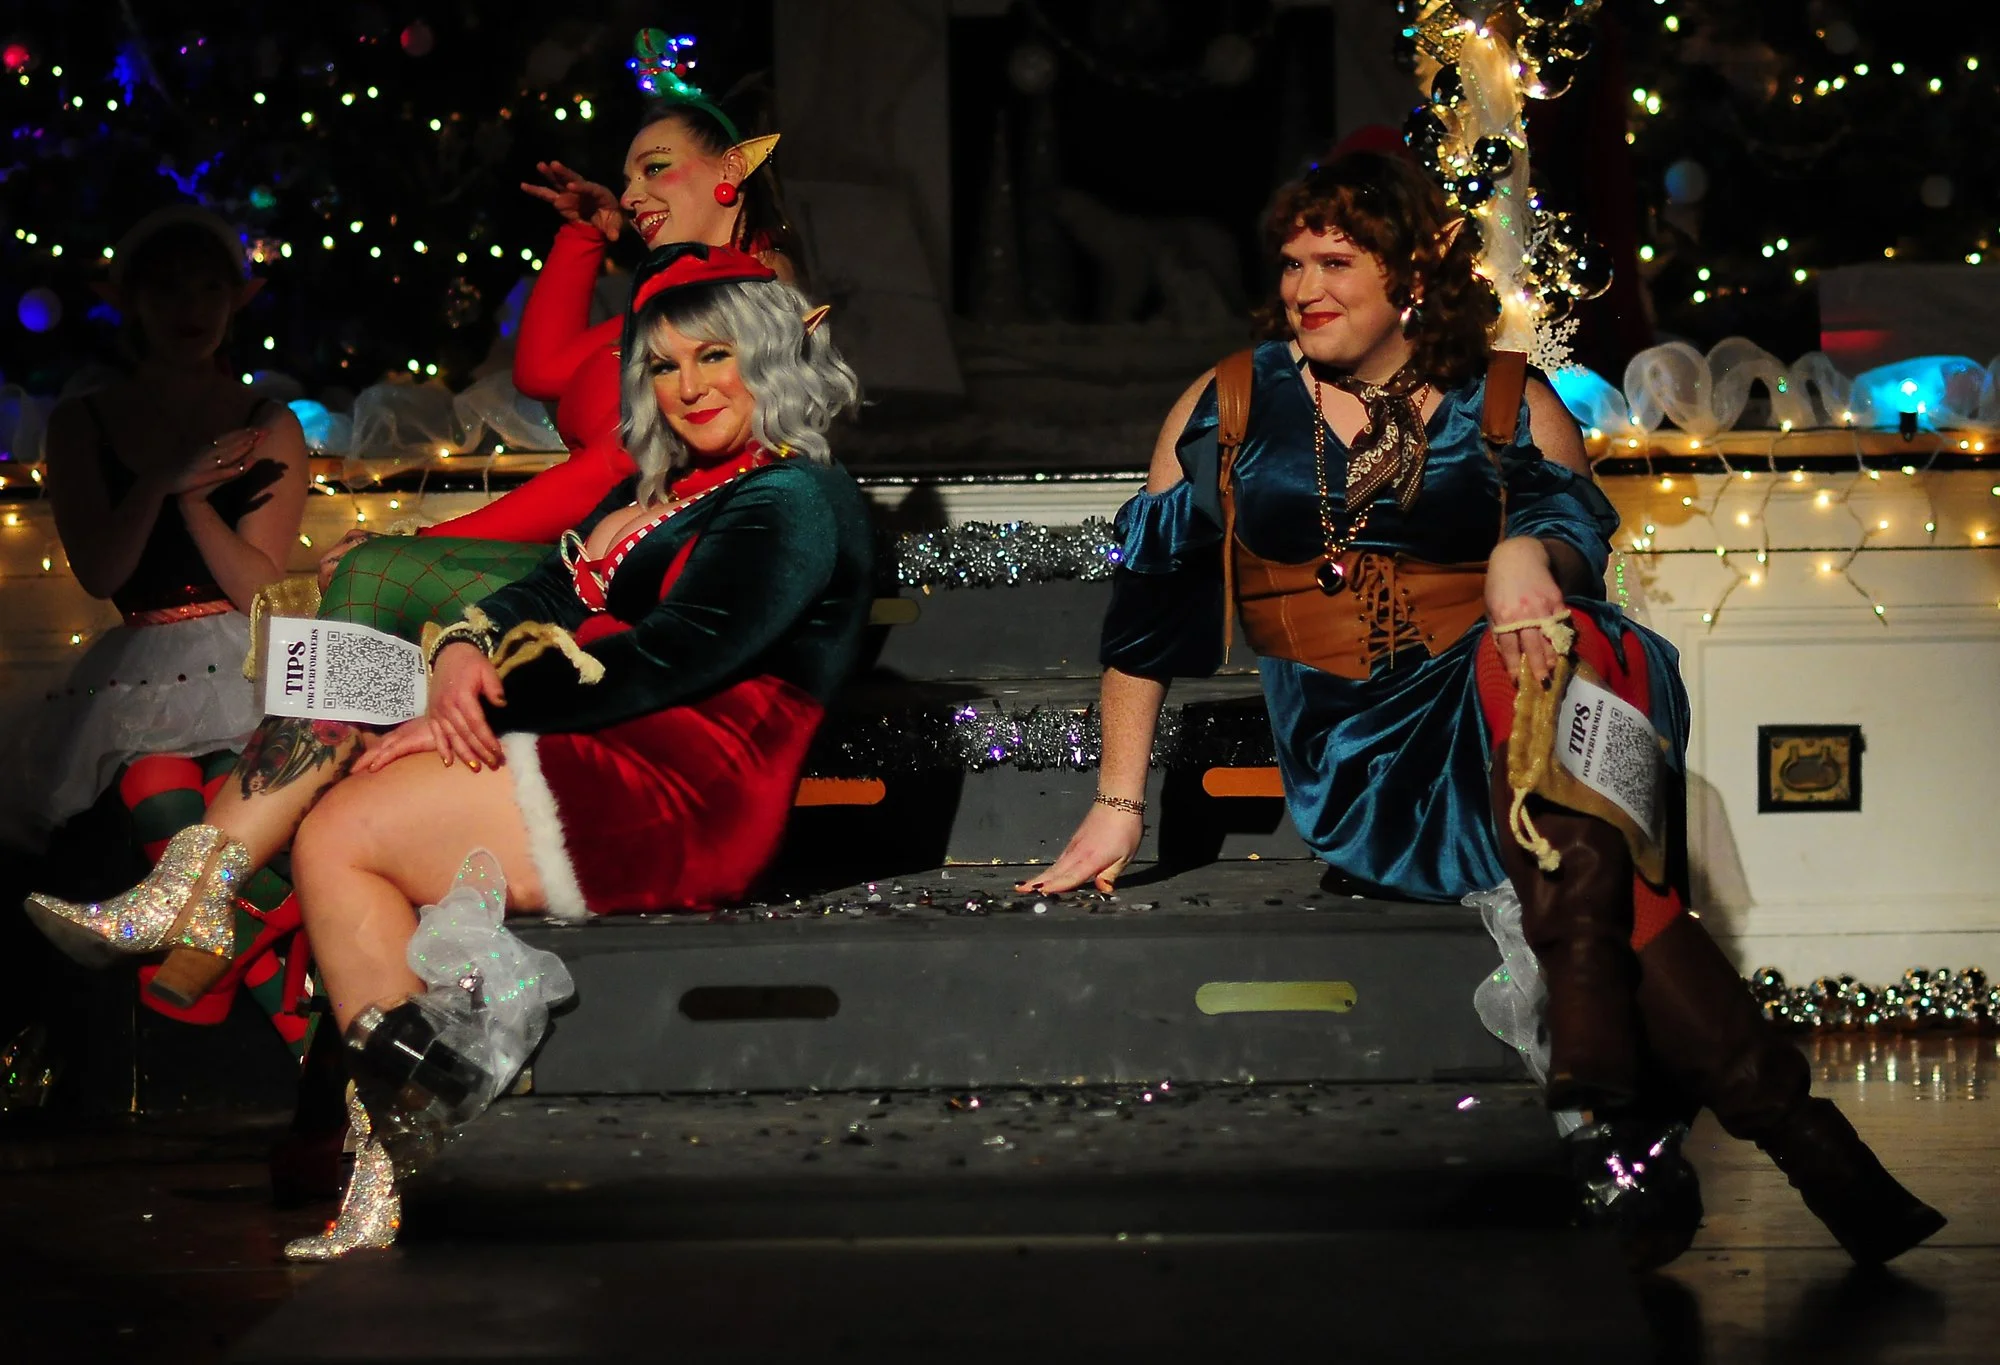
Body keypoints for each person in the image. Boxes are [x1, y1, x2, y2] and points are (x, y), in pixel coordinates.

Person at [1024, 152, 1943, 1270]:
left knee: (1566, 657)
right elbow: (1147, 619)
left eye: (1335, 262)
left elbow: (1576, 551)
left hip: (1523, 704)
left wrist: (1522, 550)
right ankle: (1784, 1135)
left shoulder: (1507, 400)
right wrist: (1119, 801)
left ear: (1411, 275)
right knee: (1590, 838)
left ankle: (1613, 1096)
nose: (1304, 289)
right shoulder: (1229, 403)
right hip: (1367, 759)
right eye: (1293, 264)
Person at [25, 241, 873, 1258]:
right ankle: (320, 1044)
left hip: (679, 786)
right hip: (597, 741)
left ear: (769, 358)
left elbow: (671, 659)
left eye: (714, 357)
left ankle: (215, 907)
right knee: (341, 733)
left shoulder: (792, 498)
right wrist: (465, 648)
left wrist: (476, 698)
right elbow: (540, 590)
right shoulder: (678, 487)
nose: (687, 386)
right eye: (663, 365)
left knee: (345, 819)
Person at [313, 70, 797, 637]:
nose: (629, 196)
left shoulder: (753, 284)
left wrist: (422, 543)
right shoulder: (679, 297)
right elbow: (543, 372)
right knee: (369, 580)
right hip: (614, 552)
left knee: (373, 575)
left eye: (655, 169)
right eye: (627, 179)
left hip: (674, 568)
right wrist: (582, 236)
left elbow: (619, 460)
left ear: (731, 170)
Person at [0, 206, 313, 1039]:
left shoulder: (268, 419)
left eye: (210, 288)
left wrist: (198, 504)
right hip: (138, 664)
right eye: (169, 289)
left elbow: (258, 592)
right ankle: (315, 1039)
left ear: (236, 300)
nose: (191, 308)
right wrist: (159, 481)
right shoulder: (85, 421)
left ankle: (206, 969)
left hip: (246, 659)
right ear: (131, 301)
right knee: (154, 781)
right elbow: (103, 573)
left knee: (210, 806)